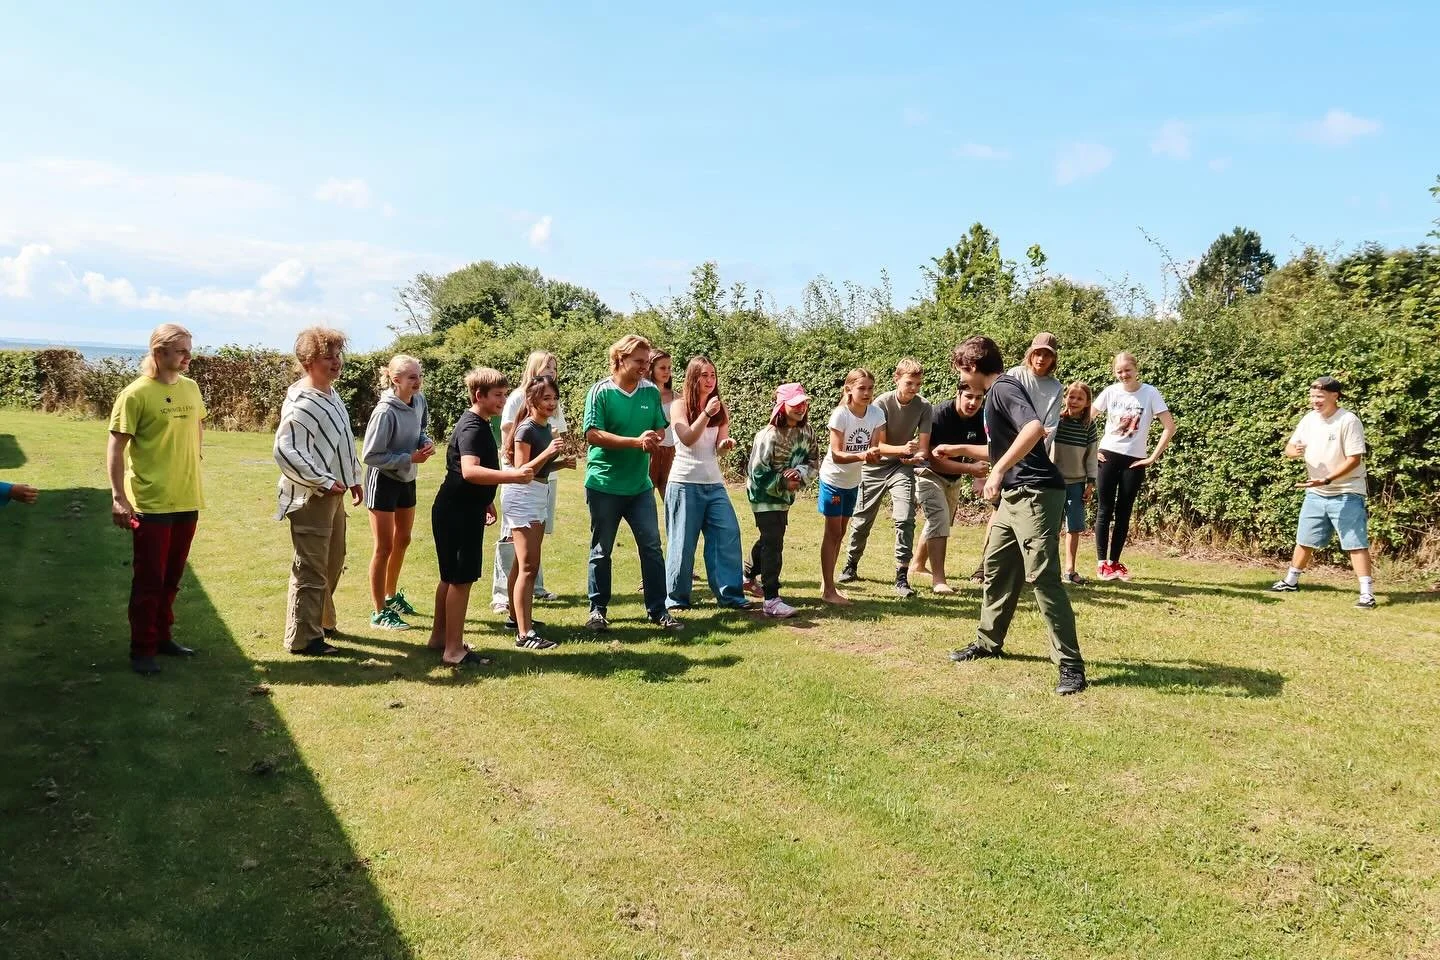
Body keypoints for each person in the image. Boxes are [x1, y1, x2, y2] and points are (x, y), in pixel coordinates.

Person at [949, 336, 1087, 696]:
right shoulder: (999, 392)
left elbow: (1033, 429)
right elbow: (1001, 448)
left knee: (1043, 578)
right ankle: (988, 642)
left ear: (974, 367)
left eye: (963, 372)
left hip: (1037, 493)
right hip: (1014, 496)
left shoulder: (1002, 388)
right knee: (997, 567)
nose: (963, 380)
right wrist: (961, 449)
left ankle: (1071, 666)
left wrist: (996, 472)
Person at [107, 323, 206, 676]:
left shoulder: (192, 389)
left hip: (187, 499)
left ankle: (163, 637)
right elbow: (116, 448)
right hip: (150, 503)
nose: (188, 357)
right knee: (149, 580)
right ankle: (142, 649)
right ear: (158, 352)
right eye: (181, 350)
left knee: (172, 578)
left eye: (188, 349)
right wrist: (119, 497)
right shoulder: (135, 394)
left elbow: (197, 426)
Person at [430, 368, 533, 665]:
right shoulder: (473, 427)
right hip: (458, 513)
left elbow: (468, 475)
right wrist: (511, 476)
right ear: (480, 396)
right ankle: (453, 650)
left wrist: (486, 500)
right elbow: (470, 470)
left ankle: (439, 638)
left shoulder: (476, 422)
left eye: (504, 394)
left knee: (449, 578)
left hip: (458, 508)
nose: (503, 400)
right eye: (498, 395)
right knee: (460, 579)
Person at [582, 334, 682, 633]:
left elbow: (660, 430)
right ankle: (597, 611)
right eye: (639, 361)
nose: (644, 366)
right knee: (602, 550)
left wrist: (654, 438)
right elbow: (593, 434)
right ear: (620, 359)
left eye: (646, 361)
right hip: (604, 484)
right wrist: (634, 442)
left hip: (639, 486)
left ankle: (658, 610)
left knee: (651, 547)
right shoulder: (600, 392)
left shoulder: (650, 391)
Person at [273, 326, 363, 657]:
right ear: (309, 360)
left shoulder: (330, 394)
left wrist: (353, 477)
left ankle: (323, 621)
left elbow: (341, 441)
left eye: (338, 355)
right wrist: (323, 481)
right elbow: (286, 451)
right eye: (328, 357)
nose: (336, 362)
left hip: (333, 493)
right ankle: (303, 638)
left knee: (333, 560)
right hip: (311, 496)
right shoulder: (303, 402)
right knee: (311, 566)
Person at [1270, 376, 1376, 609]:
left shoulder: (1348, 420)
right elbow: (1289, 447)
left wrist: (1327, 479)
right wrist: (1293, 451)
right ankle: (1291, 581)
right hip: (1316, 492)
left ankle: (1366, 593)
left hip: (1347, 491)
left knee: (1355, 543)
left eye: (1319, 396)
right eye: (1312, 396)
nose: (1314, 400)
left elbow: (1355, 459)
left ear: (1334, 395)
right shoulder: (1309, 419)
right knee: (1305, 539)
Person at [838, 358, 932, 597]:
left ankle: (901, 576)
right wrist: (903, 450)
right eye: (910, 383)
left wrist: (915, 457)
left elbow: (923, 447)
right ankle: (851, 564)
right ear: (896, 379)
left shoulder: (924, 406)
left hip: (902, 467)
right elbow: (878, 445)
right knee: (862, 520)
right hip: (874, 466)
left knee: (905, 518)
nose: (914, 388)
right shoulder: (880, 403)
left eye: (918, 384)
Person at [664, 356, 749, 611]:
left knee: (727, 534)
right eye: (704, 375)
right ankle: (677, 599)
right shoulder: (679, 406)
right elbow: (688, 438)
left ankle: (730, 595)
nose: (710, 380)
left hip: (714, 484)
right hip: (684, 482)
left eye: (713, 375)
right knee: (682, 542)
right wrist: (704, 414)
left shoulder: (720, 409)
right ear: (693, 378)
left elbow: (719, 449)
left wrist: (725, 445)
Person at [361, 354, 435, 631]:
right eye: (411, 377)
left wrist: (425, 443)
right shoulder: (385, 412)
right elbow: (370, 455)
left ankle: (391, 597)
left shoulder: (419, 401)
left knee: (403, 539)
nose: (417, 382)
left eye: (419, 375)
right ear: (395, 379)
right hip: (383, 479)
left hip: (407, 478)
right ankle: (379, 612)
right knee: (384, 547)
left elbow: (421, 430)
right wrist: (409, 458)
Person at [492, 351, 568, 612]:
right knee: (514, 543)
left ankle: (529, 594)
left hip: (543, 480)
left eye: (554, 368)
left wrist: (558, 460)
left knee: (531, 547)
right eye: (547, 367)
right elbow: (513, 444)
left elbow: (555, 432)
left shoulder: (549, 409)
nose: (551, 372)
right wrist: (543, 454)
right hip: (521, 485)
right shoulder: (519, 403)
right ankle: (503, 596)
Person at [1091, 351, 1177, 582]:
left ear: (1136, 369)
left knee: (1124, 512)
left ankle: (1115, 563)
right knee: (1104, 509)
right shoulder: (1110, 392)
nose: (1123, 375)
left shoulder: (1150, 393)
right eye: (1119, 371)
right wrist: (1092, 450)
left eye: (1127, 370)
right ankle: (1102, 565)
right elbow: (1086, 419)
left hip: (1135, 460)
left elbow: (1169, 426)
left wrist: (1152, 458)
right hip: (1107, 456)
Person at [504, 375, 572, 648]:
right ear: (531, 400)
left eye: (554, 399)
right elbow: (523, 470)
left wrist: (560, 464)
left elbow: (540, 470)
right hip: (523, 496)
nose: (552, 403)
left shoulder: (545, 427)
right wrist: (549, 453)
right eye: (546, 398)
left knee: (521, 564)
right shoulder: (526, 429)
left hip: (538, 493)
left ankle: (515, 618)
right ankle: (524, 634)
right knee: (529, 566)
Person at [744, 383, 819, 618]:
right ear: (781, 406)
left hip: (785, 496)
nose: (801, 407)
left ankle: (746, 574)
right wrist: (782, 481)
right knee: (774, 541)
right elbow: (756, 471)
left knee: (771, 538)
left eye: (803, 403)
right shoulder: (768, 435)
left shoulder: (808, 432)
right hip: (762, 494)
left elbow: (814, 460)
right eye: (795, 403)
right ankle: (771, 599)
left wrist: (799, 474)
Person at [910, 383, 989, 594]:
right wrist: (970, 469)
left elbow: (981, 450)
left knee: (939, 520)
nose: (973, 402)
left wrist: (979, 478)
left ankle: (917, 565)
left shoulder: (980, 417)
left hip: (953, 478)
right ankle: (939, 581)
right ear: (958, 394)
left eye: (979, 398)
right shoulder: (939, 415)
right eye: (969, 396)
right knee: (939, 519)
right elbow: (933, 460)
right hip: (927, 473)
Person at [818, 368, 884, 605]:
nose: (866, 393)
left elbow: (877, 448)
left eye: (870, 388)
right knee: (833, 533)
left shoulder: (876, 414)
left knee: (841, 533)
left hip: (853, 481)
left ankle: (827, 583)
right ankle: (828, 590)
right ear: (849, 390)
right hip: (833, 480)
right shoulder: (840, 415)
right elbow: (836, 454)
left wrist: (880, 454)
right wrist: (865, 455)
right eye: (861, 388)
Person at [1053, 380, 1098, 585]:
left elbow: (1091, 456)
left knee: (1074, 527)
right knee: (1050, 527)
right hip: (1054, 482)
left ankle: (1070, 570)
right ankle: (1049, 569)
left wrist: (1090, 483)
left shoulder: (1089, 426)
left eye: (1080, 398)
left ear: (1087, 402)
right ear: (1065, 398)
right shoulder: (1057, 421)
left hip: (1077, 484)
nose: (1075, 401)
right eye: (1071, 396)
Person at [1008, 333, 1064, 448]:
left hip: (1036, 446)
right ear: (1030, 354)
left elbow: (1051, 426)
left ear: (1053, 358)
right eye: (1037, 353)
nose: (1041, 359)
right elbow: (1005, 408)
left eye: (1047, 355)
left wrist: (1040, 450)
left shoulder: (1056, 387)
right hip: (1009, 440)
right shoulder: (1015, 374)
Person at [647, 350, 678, 500]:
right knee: (647, 494)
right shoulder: (643, 394)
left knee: (672, 496)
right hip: (649, 451)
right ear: (651, 369)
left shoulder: (677, 397)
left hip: (671, 452)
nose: (667, 372)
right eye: (662, 368)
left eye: (669, 368)